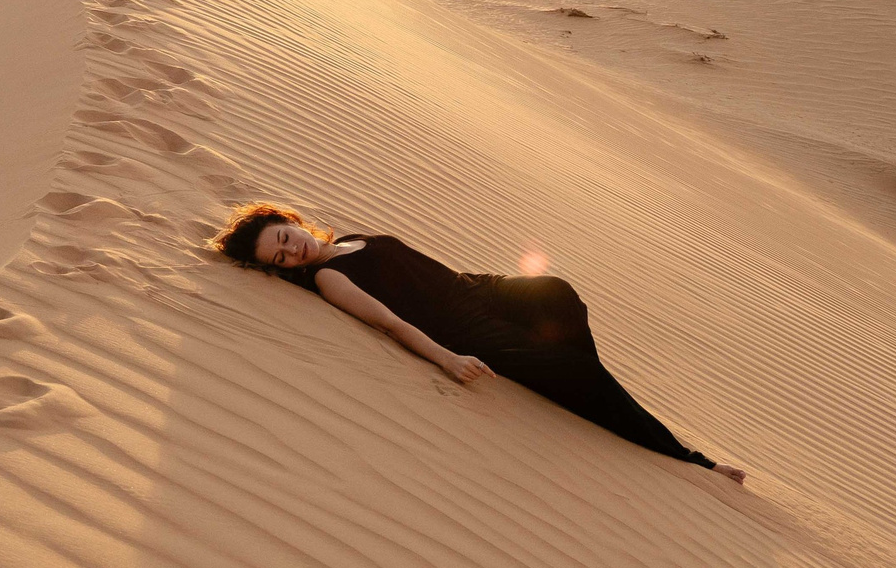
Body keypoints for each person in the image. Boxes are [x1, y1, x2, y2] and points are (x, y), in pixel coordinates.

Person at [214, 202, 744, 483]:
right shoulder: (330, 279)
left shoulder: (351, 239)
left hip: (478, 289)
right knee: (577, 373)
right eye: (280, 258)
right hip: (465, 329)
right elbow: (391, 323)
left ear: (289, 219)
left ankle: (584, 380)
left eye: (284, 238)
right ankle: (692, 459)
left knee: (557, 294)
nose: (293, 251)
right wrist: (447, 359)